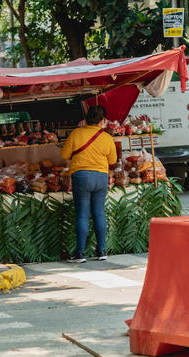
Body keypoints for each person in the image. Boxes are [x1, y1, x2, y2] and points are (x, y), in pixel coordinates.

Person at [60, 105, 117, 264]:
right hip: (100, 177)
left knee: (83, 214)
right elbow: (112, 160)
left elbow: (64, 154)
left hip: (82, 176)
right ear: (102, 120)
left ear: (86, 119)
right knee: (99, 213)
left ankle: (80, 254)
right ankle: (102, 251)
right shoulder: (106, 137)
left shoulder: (76, 133)